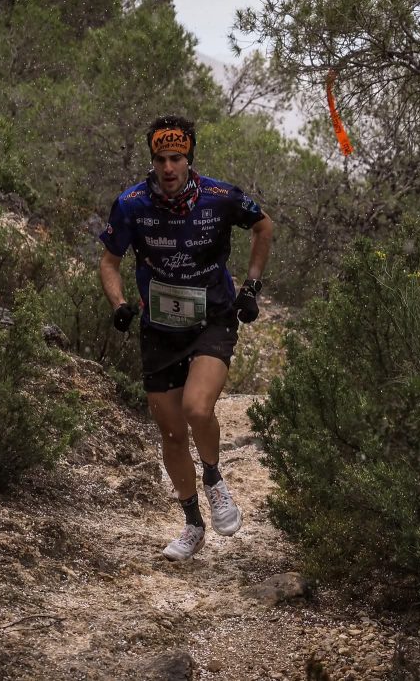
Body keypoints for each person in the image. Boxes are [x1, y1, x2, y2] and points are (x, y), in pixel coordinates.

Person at [98, 115, 273, 560]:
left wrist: (251, 287)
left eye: (176, 158)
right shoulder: (132, 204)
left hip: (212, 318)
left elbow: (263, 226)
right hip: (159, 328)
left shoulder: (219, 197)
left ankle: (213, 477)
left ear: (189, 158)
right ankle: (193, 524)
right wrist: (119, 304)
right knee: (172, 434)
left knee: (198, 407)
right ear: (152, 161)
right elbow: (110, 261)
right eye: (161, 159)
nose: (169, 168)